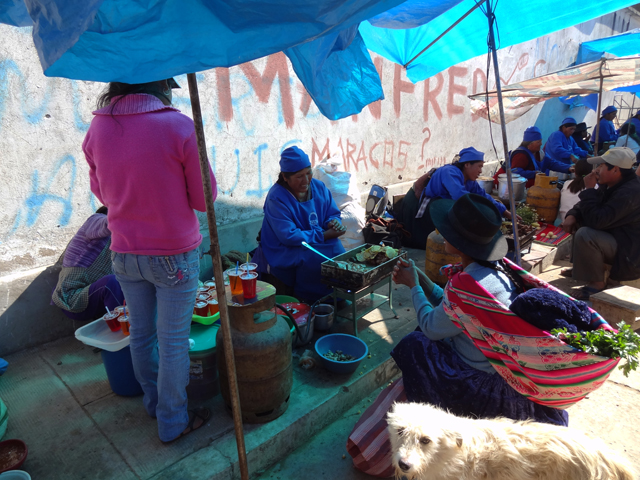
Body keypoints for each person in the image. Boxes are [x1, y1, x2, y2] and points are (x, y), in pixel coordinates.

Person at [83, 78, 216, 442]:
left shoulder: (97, 128)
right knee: (173, 342)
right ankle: (172, 421)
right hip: (173, 255)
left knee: (142, 335)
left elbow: (102, 193)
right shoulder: (179, 126)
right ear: (159, 84)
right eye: (170, 84)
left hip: (125, 253)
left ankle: (155, 405)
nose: (172, 92)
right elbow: (204, 198)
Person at [392, 193, 568, 426]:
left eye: (447, 229)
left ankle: (432, 416)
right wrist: (421, 279)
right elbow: (452, 309)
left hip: (480, 383)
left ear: (460, 242)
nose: (441, 232)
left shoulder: (467, 285)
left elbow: (431, 327)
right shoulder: (496, 270)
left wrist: (413, 286)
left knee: (415, 342)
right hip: (502, 371)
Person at [258, 146, 346, 303]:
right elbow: (288, 236)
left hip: (315, 238)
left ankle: (338, 298)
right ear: (285, 177)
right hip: (285, 247)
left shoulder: (319, 187)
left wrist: (333, 223)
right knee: (315, 259)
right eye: (299, 176)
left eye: (308, 173)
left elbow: (332, 213)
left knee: (338, 251)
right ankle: (310, 301)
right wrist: (323, 235)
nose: (306, 180)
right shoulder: (276, 198)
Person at [561, 147, 640, 300]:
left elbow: (597, 220)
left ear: (615, 170)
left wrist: (589, 189)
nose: (596, 170)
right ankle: (581, 268)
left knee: (586, 234)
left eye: (601, 166)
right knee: (579, 220)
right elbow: (589, 206)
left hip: (628, 249)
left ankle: (596, 283)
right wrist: (572, 215)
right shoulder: (613, 183)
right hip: (615, 235)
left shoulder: (630, 192)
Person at [51, 206, 125, 321]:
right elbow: (110, 223)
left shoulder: (120, 244)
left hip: (98, 297)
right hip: (72, 298)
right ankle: (124, 328)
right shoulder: (94, 221)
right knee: (112, 282)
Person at [416, 147, 516, 225]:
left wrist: (503, 211)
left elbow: (483, 196)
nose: (480, 171)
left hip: (446, 210)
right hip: (432, 210)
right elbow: (460, 196)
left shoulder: (470, 181)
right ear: (467, 165)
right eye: (479, 166)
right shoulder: (449, 172)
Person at [558, 159, 593, 223]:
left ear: (575, 172)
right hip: (579, 224)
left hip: (564, 221)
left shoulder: (567, 183)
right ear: (591, 172)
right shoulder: (594, 186)